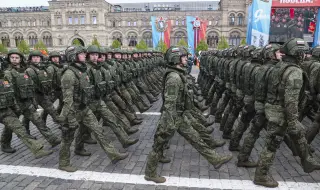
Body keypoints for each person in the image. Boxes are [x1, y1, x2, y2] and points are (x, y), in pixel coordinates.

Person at [144, 47, 232, 183]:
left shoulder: (177, 74)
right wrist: (169, 123)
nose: (186, 58)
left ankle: (214, 159)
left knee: (195, 137)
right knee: (158, 145)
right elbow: (169, 103)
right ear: (175, 59)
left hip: (178, 116)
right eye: (183, 57)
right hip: (171, 118)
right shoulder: (174, 78)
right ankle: (150, 173)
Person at [254, 38, 320, 188]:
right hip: (281, 114)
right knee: (272, 145)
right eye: (303, 53)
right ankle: (261, 175)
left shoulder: (278, 67)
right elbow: (291, 100)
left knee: (297, 134)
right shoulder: (294, 72)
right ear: (298, 54)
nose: (305, 56)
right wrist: (292, 122)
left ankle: (307, 161)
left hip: (272, 109)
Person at [57, 46, 128, 172]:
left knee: (98, 130)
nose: (85, 55)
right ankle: (63, 163)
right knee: (67, 139)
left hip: (84, 109)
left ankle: (113, 153)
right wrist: (70, 118)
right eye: (81, 53)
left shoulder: (82, 70)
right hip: (72, 111)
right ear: (73, 56)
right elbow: (67, 101)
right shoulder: (68, 74)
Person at [1, 49, 53, 158]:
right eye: (12, 58)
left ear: (20, 59)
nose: (14, 60)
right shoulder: (7, 73)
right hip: (12, 105)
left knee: (31, 122)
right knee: (16, 127)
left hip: (25, 102)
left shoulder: (24, 71)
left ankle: (53, 139)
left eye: (17, 57)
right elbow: (10, 92)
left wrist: (33, 102)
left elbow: (31, 87)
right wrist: (15, 107)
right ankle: (36, 149)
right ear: (9, 59)